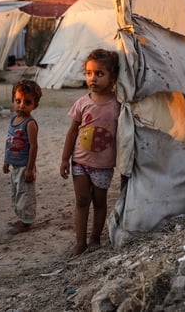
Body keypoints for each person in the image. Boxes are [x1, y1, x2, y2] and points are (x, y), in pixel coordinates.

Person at [60, 49, 121, 256]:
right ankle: (80, 242)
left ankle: (95, 238)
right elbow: (72, 132)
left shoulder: (118, 105)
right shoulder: (82, 103)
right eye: (88, 73)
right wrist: (64, 159)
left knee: (99, 202)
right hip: (80, 161)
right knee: (81, 201)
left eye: (99, 74)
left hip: (103, 164)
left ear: (112, 77)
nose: (92, 78)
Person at [3, 79, 42, 235]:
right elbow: (9, 141)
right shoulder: (14, 120)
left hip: (25, 166)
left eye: (27, 102)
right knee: (16, 192)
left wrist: (30, 169)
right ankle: (21, 217)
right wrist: (6, 162)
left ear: (35, 105)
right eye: (18, 101)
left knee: (25, 194)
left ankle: (26, 222)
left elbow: (34, 146)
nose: (21, 105)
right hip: (14, 165)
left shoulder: (30, 123)